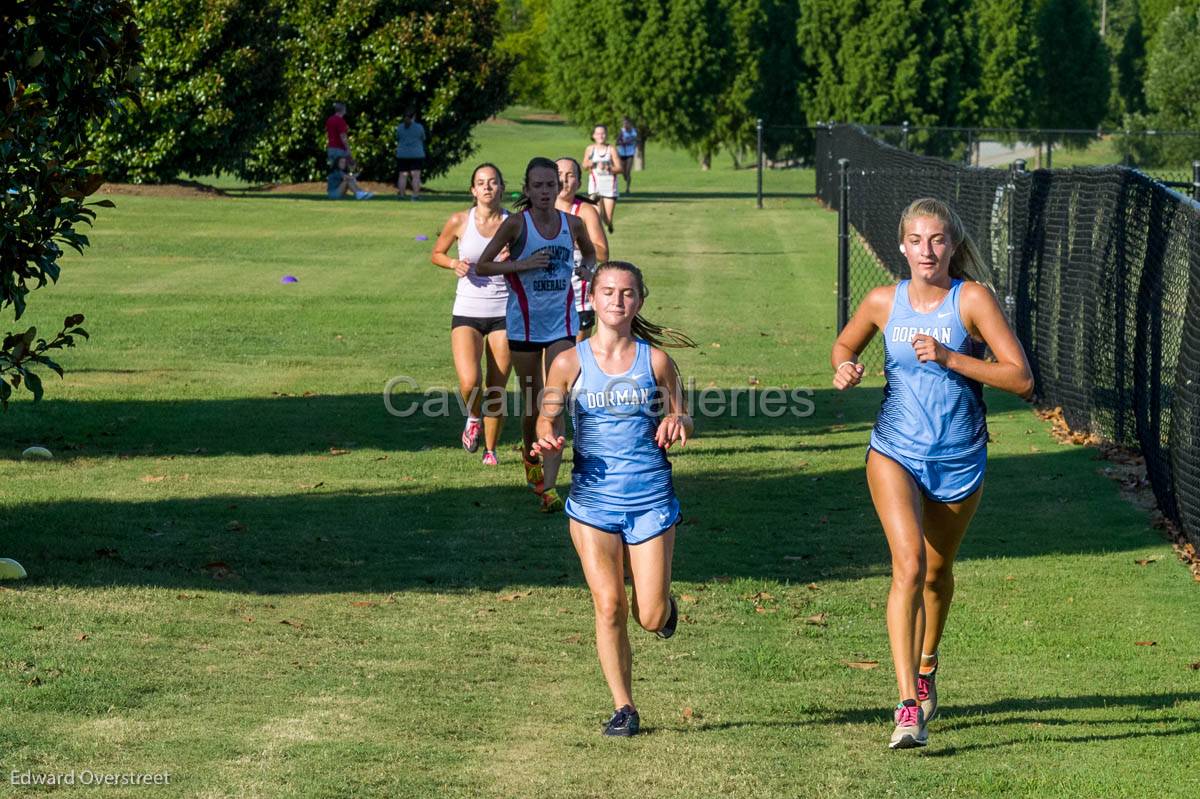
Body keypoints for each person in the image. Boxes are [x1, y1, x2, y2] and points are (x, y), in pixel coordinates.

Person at [831, 197, 1034, 750]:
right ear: (901, 245)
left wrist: (950, 358)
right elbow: (846, 342)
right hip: (894, 449)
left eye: (937, 240)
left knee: (936, 576)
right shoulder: (882, 301)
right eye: (916, 240)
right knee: (908, 564)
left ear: (953, 245)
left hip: (959, 453)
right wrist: (844, 365)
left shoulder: (971, 301)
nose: (927, 250)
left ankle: (926, 665)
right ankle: (905, 706)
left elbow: (1020, 379)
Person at [531, 260, 696, 737]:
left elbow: (683, 415)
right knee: (608, 605)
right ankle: (624, 707)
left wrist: (677, 423)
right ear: (593, 298)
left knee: (648, 614)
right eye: (608, 292)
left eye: (626, 293)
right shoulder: (568, 362)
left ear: (639, 300)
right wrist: (548, 438)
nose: (617, 301)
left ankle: (664, 610)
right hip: (592, 500)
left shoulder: (657, 361)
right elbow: (548, 418)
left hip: (650, 498)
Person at [476, 157, 597, 513]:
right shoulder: (516, 224)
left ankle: (551, 483)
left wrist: (586, 269)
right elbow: (484, 264)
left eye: (551, 185)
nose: (545, 192)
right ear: (527, 189)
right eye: (538, 186)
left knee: (555, 400)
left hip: (563, 325)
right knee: (532, 405)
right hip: (524, 325)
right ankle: (531, 464)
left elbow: (590, 253)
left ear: (559, 189)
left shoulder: (572, 224)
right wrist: (522, 264)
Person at [430, 163, 512, 465]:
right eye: (481, 183)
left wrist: (514, 257)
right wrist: (454, 264)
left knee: (496, 386)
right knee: (469, 382)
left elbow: (530, 261)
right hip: (467, 310)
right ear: (473, 190)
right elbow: (436, 253)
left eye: (493, 182)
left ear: (501, 187)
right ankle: (473, 416)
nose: (487, 187)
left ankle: (491, 450)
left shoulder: (514, 223)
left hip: (504, 311)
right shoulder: (459, 221)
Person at [555, 157, 610, 341]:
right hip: (547, 298)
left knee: (576, 359)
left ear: (578, 183)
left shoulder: (585, 211)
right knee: (549, 363)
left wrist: (578, 240)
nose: (564, 180)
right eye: (559, 174)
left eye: (570, 175)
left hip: (579, 301)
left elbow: (602, 253)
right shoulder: (539, 211)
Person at [583, 124, 622, 234]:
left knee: (607, 218)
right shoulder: (590, 149)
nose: (601, 136)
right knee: (597, 214)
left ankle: (610, 224)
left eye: (603, 133)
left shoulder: (611, 149)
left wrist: (608, 167)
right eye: (598, 133)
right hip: (595, 187)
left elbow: (619, 168)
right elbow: (584, 165)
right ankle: (596, 238)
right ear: (594, 135)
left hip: (610, 187)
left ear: (606, 135)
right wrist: (592, 163)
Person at [395, 108, 427, 201]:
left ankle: (401, 195)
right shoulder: (419, 127)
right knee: (415, 175)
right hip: (416, 154)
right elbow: (423, 137)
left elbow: (398, 137)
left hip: (402, 154)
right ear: (414, 117)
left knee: (402, 175)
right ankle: (415, 195)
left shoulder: (400, 127)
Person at [615, 117, 639, 195]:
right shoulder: (622, 131)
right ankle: (626, 178)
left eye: (626, 123)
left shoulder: (634, 131)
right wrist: (623, 142)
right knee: (623, 171)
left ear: (630, 124)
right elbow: (617, 142)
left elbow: (638, 140)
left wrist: (633, 142)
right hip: (622, 153)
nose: (624, 125)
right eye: (623, 123)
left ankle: (627, 188)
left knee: (628, 171)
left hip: (630, 154)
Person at [325, 102, 352, 167]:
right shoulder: (340, 121)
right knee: (342, 171)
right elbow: (343, 137)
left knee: (334, 170)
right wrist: (348, 149)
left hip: (331, 149)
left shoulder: (329, 120)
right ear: (343, 110)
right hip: (339, 149)